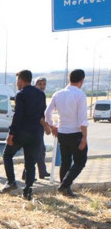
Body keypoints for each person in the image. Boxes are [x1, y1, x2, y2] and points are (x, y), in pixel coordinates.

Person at [1, 70, 47, 201]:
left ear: (21, 80)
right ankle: (28, 190)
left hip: (22, 132)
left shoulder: (21, 95)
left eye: (17, 81)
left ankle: (11, 182)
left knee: (7, 155)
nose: (16, 84)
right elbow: (41, 114)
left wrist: (11, 133)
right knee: (30, 163)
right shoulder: (41, 94)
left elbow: (18, 115)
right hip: (36, 133)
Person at [45, 69, 89, 197]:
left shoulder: (58, 94)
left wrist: (52, 125)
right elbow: (82, 119)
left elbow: (47, 113)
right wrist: (84, 137)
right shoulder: (80, 95)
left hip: (62, 132)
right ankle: (64, 185)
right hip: (76, 132)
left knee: (65, 161)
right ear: (81, 81)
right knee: (80, 161)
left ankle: (65, 188)